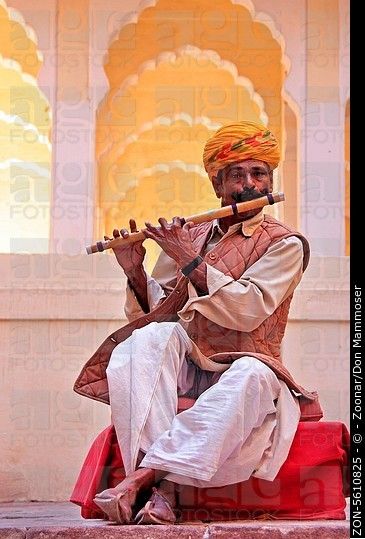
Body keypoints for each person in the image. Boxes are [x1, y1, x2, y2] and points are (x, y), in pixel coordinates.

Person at [74, 121, 321, 525]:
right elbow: (164, 311)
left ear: (270, 181)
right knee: (148, 339)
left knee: (251, 373)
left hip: (250, 364)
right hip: (193, 364)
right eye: (236, 175)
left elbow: (247, 308)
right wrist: (136, 273)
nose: (249, 184)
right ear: (217, 186)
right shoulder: (189, 234)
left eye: (259, 173)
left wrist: (191, 259)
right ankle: (160, 485)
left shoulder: (285, 244)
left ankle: (150, 481)